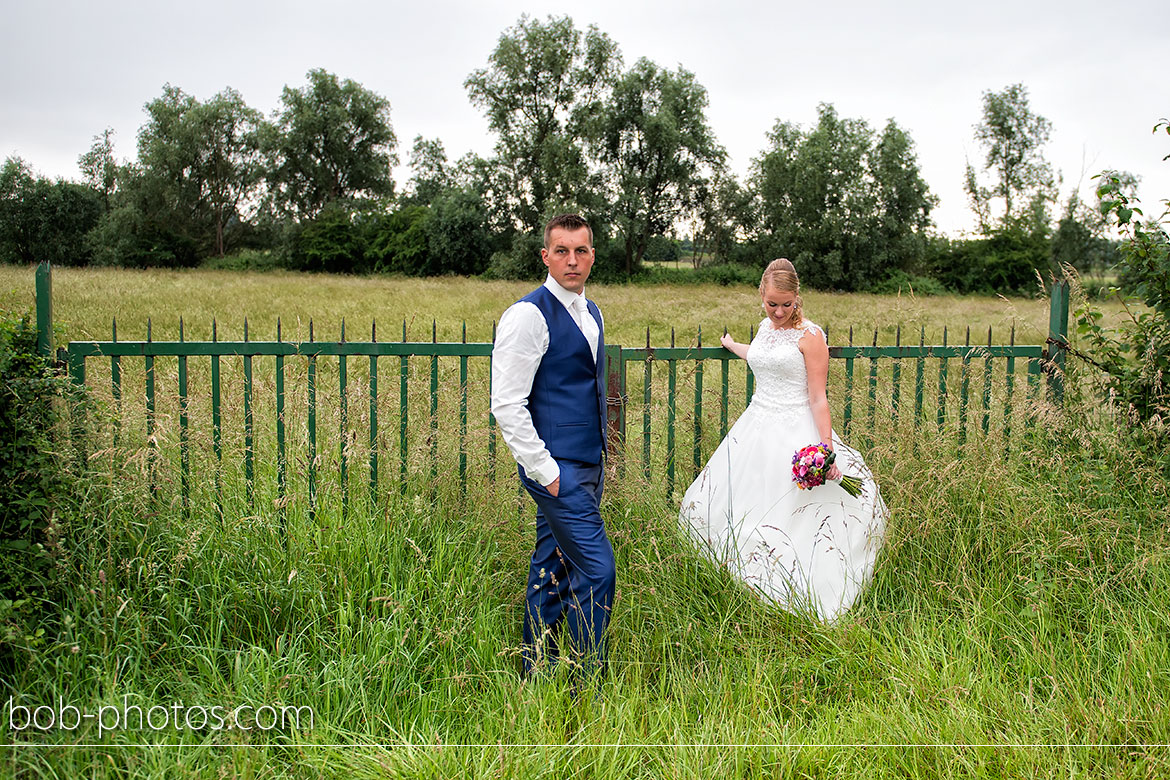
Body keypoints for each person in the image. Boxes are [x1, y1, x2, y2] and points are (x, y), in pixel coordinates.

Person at [679, 258, 887, 622]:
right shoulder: (765, 328)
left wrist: (826, 450)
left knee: (790, 511)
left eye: (786, 305)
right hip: (756, 424)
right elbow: (764, 356)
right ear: (762, 295)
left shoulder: (811, 336)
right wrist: (734, 345)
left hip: (795, 427)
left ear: (797, 298)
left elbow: (818, 397)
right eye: (771, 303)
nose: (778, 312)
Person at [490, 214, 614, 676]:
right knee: (598, 569)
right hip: (557, 468)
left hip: (587, 462)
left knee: (552, 566)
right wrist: (547, 471)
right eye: (561, 251)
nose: (572, 260)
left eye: (581, 251)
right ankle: (586, 679)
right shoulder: (528, 315)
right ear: (545, 256)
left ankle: (533, 670)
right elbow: (507, 404)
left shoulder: (592, 310)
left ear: (592, 256)